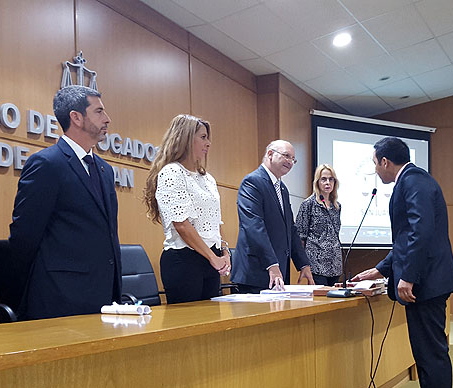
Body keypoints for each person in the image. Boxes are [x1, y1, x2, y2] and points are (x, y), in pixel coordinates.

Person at [352, 137, 453, 388]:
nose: (375, 170)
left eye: (375, 163)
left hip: (426, 284)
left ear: (385, 161)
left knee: (432, 354)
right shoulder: (415, 180)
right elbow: (406, 239)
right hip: (425, 282)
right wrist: (380, 269)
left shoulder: (413, 182)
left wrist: (408, 276)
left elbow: (420, 232)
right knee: (425, 354)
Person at [9, 85, 121, 320]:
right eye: (99, 111)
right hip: (60, 296)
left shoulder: (105, 169)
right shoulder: (47, 164)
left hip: (104, 292)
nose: (107, 119)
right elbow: (25, 235)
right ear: (76, 118)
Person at [142, 114, 230, 304]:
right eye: (203, 137)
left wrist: (224, 252)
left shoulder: (208, 179)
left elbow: (216, 221)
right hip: (184, 261)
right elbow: (181, 225)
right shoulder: (172, 172)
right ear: (186, 139)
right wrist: (213, 258)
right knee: (189, 319)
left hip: (210, 259)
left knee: (213, 320)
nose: (208, 143)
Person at [230, 140, 314, 293]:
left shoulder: (282, 188)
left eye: (293, 159)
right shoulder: (252, 182)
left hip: (278, 272)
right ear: (270, 154)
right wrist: (271, 264)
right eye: (286, 156)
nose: (290, 162)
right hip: (256, 272)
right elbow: (253, 226)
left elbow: (290, 229)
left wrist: (303, 264)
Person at [295, 164, 342, 286]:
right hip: (316, 264)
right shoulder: (308, 204)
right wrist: (304, 264)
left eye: (331, 179)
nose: (328, 183)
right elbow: (300, 237)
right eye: (323, 179)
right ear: (317, 182)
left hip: (335, 264)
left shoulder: (337, 206)